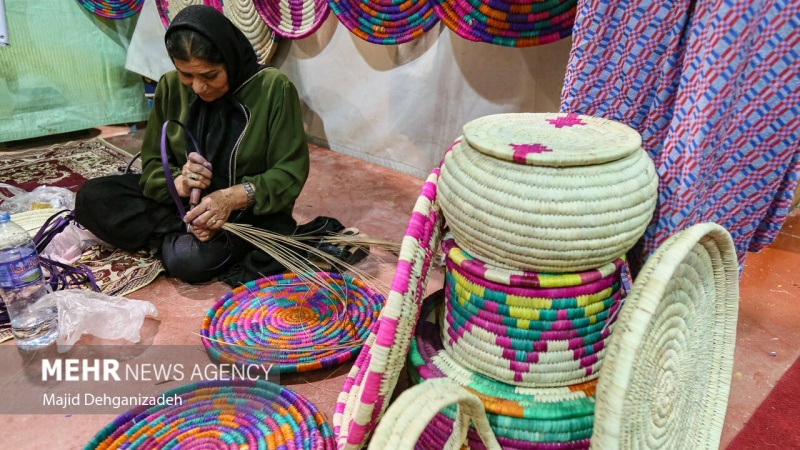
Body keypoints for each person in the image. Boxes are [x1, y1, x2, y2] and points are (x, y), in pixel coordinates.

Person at [75, 5, 309, 284]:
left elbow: (290, 172)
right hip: (180, 205)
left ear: (230, 58)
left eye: (210, 76)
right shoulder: (171, 87)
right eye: (187, 75)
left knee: (187, 261)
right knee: (91, 197)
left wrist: (230, 198)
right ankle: (190, 228)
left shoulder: (272, 88)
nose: (198, 87)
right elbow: (152, 165)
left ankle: (187, 236)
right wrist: (181, 183)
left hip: (244, 214)